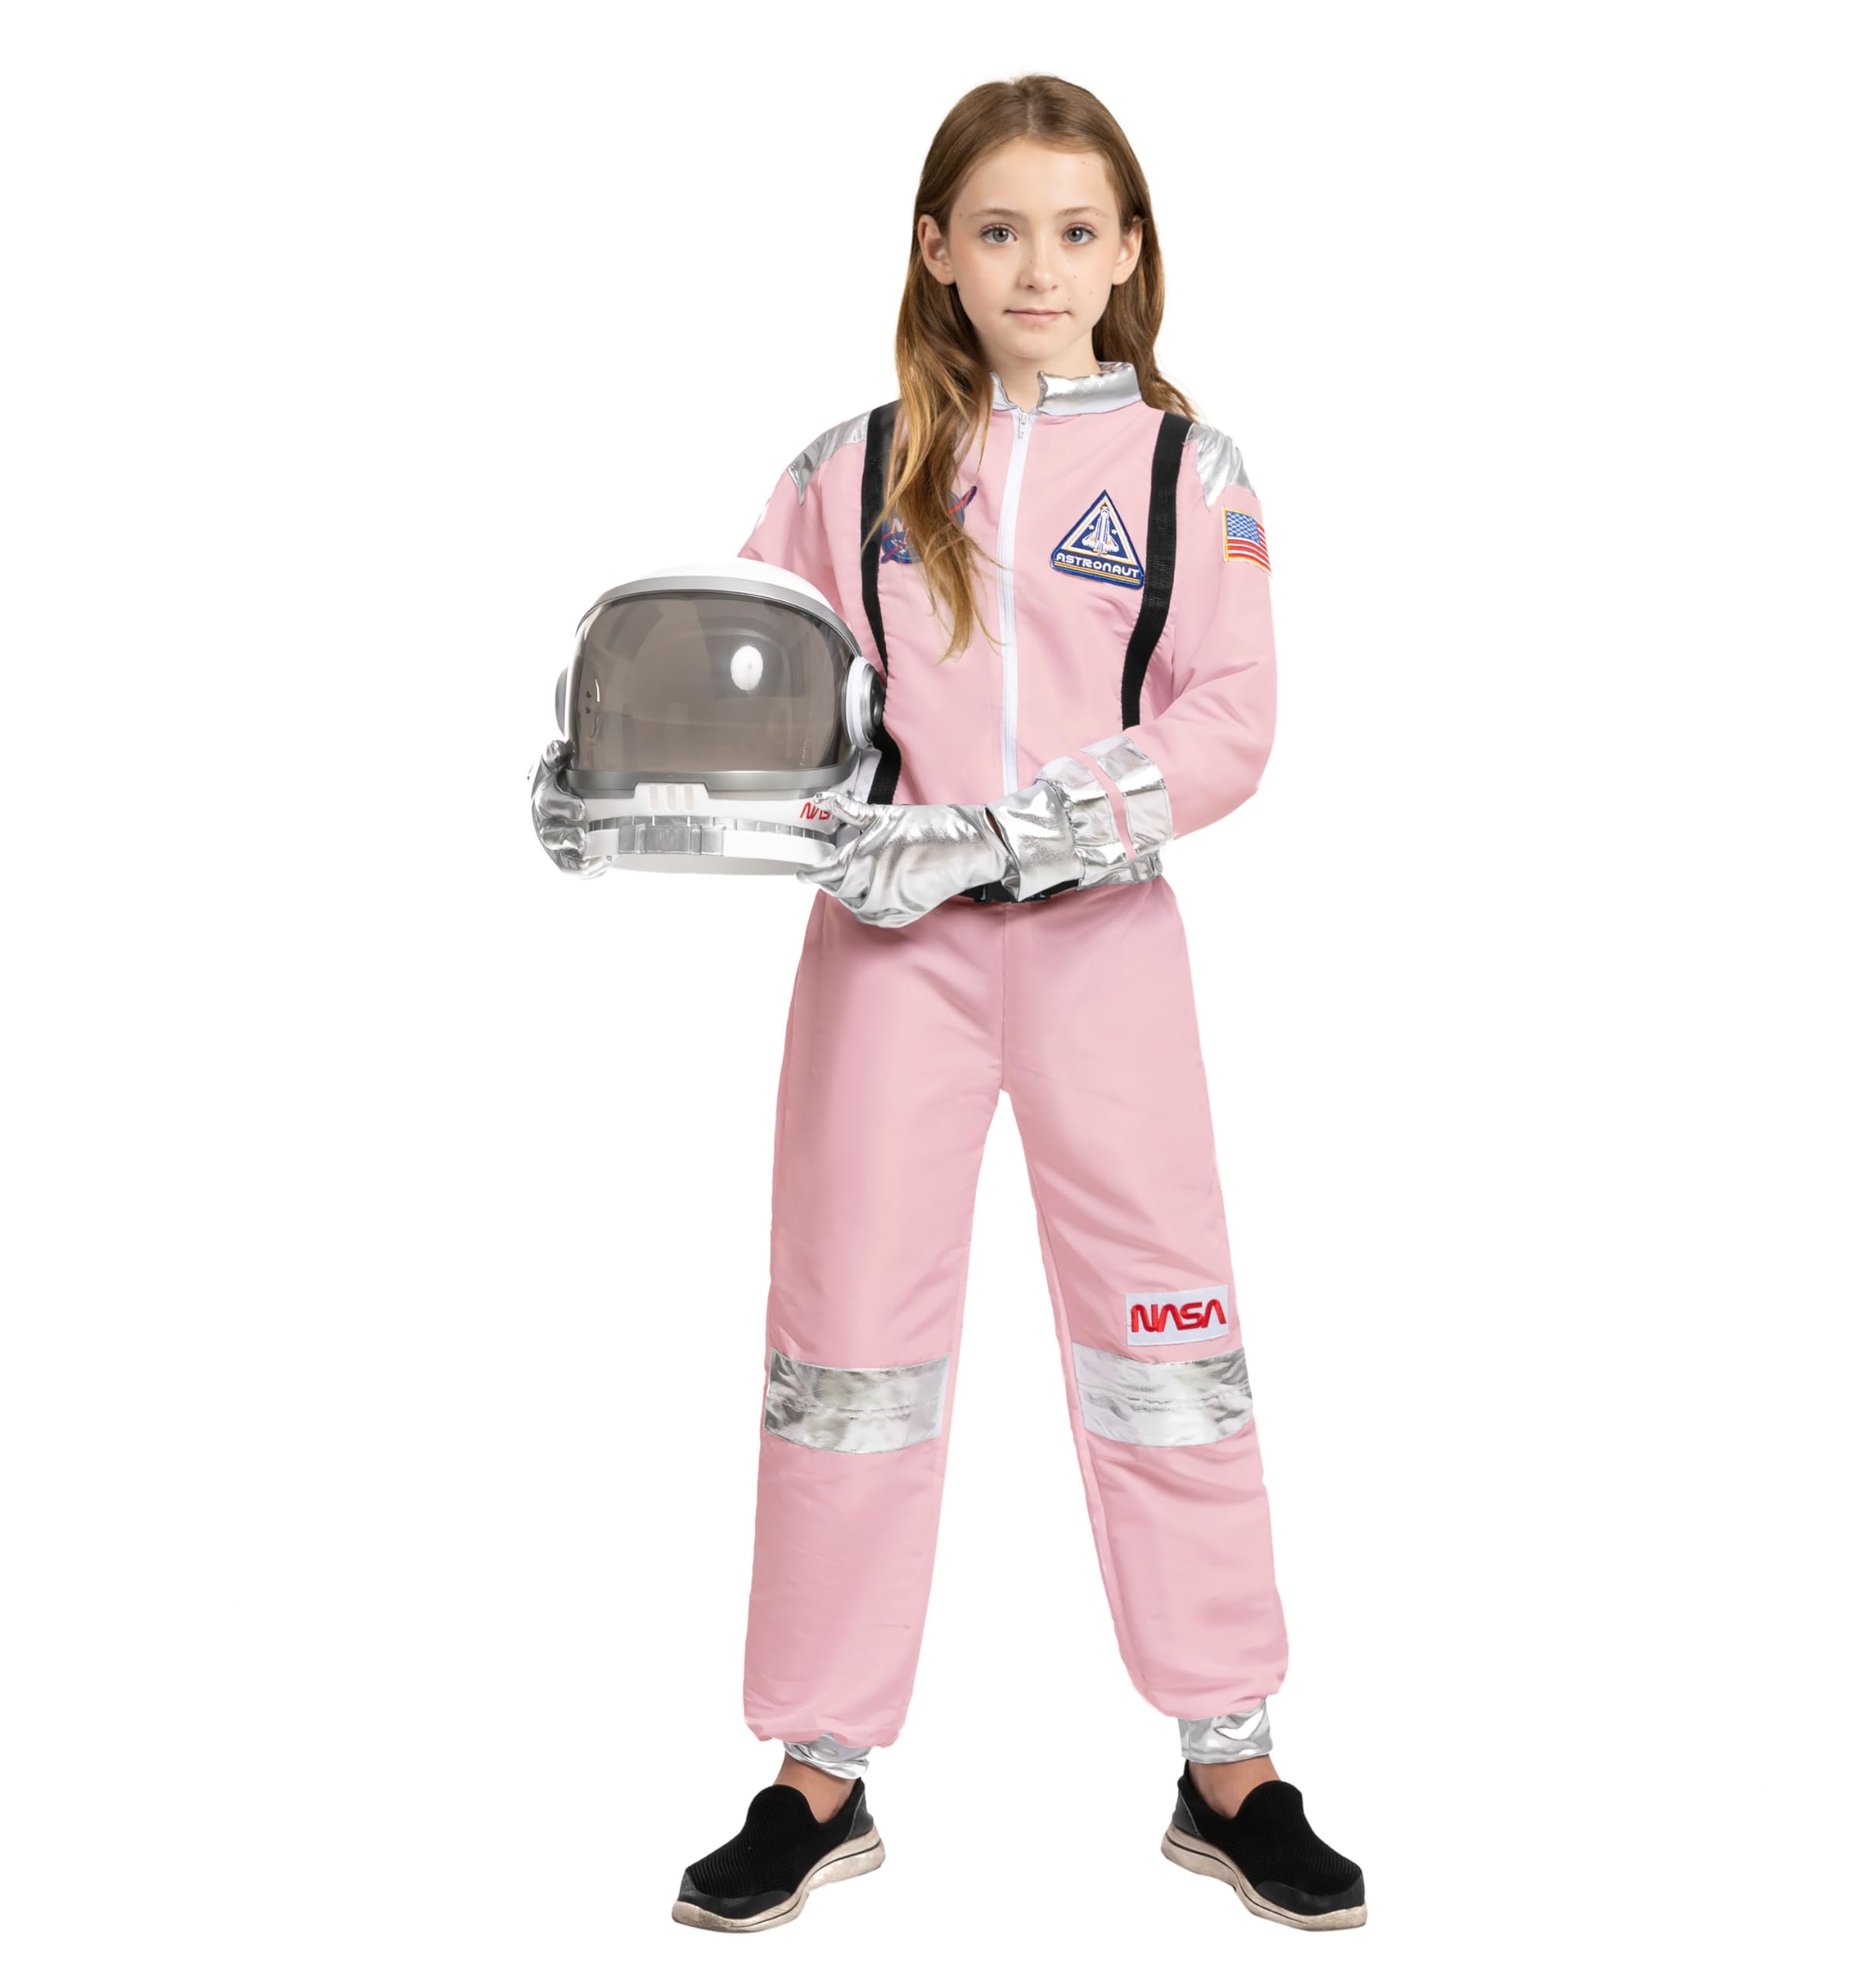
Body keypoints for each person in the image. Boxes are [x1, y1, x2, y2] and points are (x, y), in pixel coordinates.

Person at [568, 74, 1366, 1932]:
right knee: (845, 1356)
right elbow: (751, 689)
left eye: (1074, 231)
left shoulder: (1186, 473)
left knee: (1169, 1339)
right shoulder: (846, 472)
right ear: (934, 248)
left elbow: (1231, 725)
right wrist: (606, 784)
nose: (1037, 266)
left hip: (1102, 955)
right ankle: (815, 1769)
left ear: (1129, 250)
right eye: (997, 229)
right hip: (887, 969)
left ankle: (1228, 1756)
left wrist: (1006, 832)